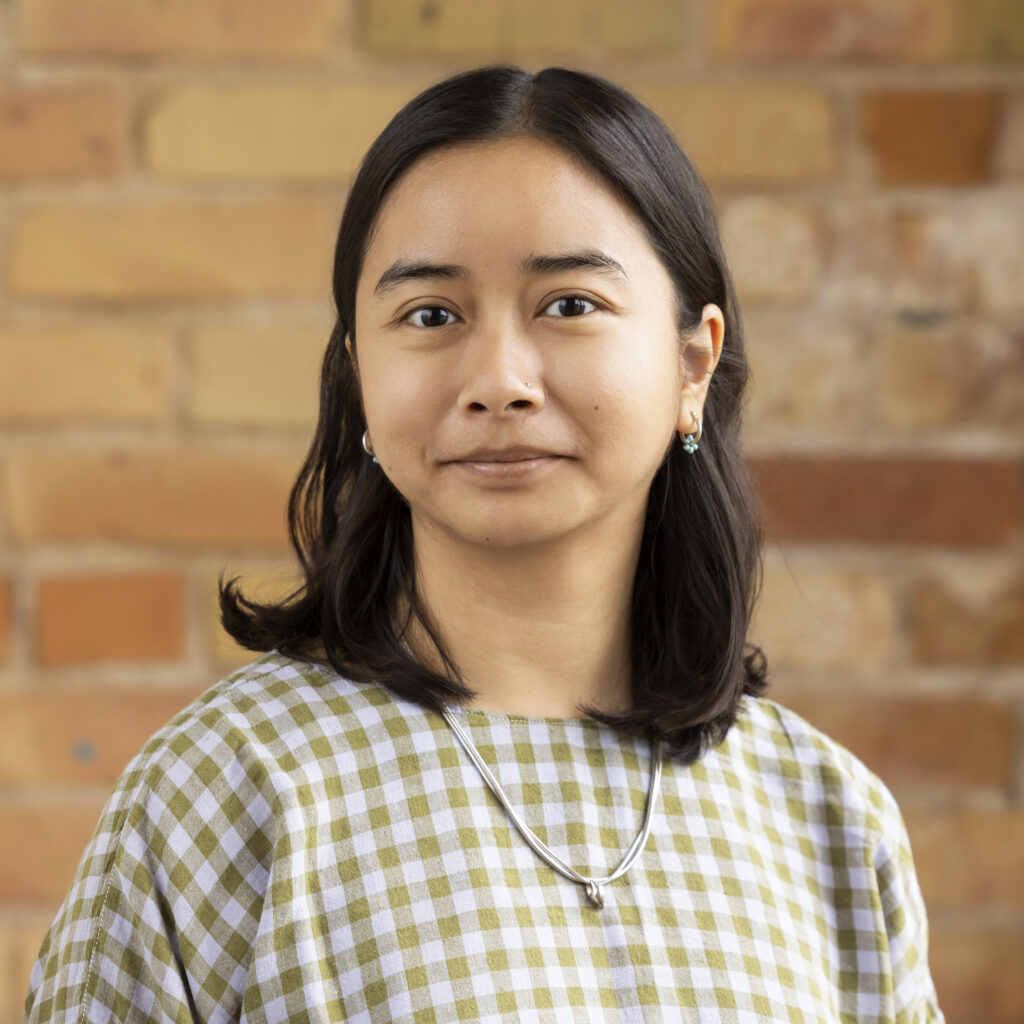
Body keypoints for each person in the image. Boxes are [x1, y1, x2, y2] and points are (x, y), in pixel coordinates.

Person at [25, 66, 943, 1023]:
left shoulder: (830, 817)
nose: (499, 379)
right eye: (431, 316)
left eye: (569, 304)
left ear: (692, 363)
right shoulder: (224, 791)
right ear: (360, 376)